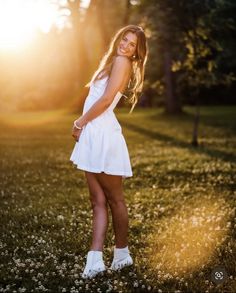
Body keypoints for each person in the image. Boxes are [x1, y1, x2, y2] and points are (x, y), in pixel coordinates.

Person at [70, 24, 148, 279]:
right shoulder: (114, 61)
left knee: (115, 199)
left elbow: (104, 101)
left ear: (137, 51)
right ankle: (94, 261)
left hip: (103, 136)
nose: (125, 45)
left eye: (132, 44)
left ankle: (122, 255)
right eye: (124, 39)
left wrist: (80, 122)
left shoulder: (122, 63)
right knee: (97, 201)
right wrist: (84, 127)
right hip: (93, 135)